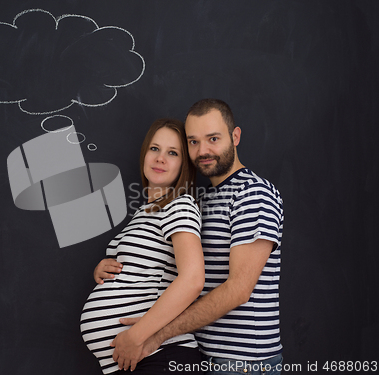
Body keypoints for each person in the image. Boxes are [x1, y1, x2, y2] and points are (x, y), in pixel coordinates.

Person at [111, 99, 284, 375]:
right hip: (203, 356)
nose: (203, 151)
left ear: (235, 136)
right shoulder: (200, 200)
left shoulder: (253, 194)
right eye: (193, 142)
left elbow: (238, 290)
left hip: (244, 363)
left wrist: (156, 335)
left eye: (213, 139)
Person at [80, 118, 206, 374]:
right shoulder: (145, 212)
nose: (161, 158)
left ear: (184, 165)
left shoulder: (179, 206)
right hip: (136, 361)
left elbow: (193, 279)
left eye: (173, 153)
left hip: (161, 355)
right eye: (155, 148)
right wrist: (105, 269)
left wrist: (137, 335)